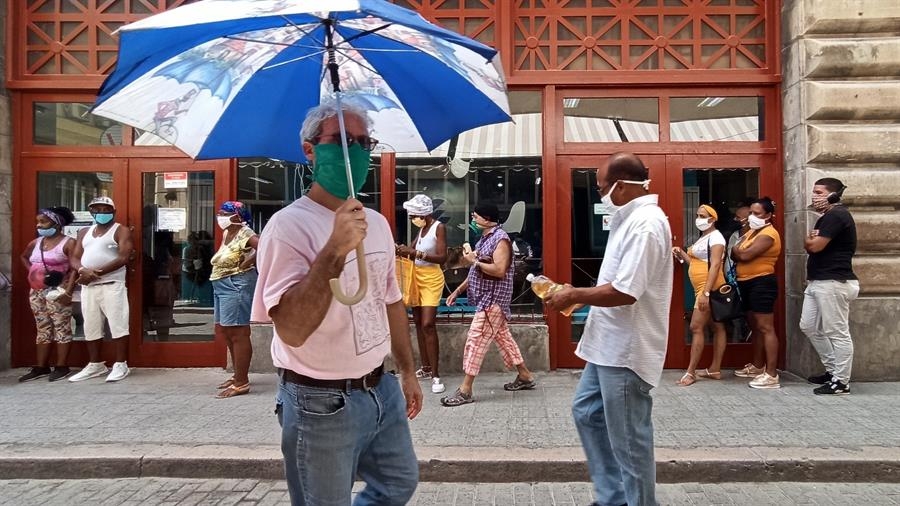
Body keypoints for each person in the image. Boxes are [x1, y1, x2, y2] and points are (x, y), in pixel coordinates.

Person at [251, 100, 421, 505]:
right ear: (310, 150)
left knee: (398, 483)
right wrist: (334, 250)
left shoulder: (376, 222)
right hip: (319, 401)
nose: (356, 152)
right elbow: (290, 329)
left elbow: (391, 302)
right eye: (342, 141)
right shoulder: (287, 227)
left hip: (381, 389)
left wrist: (408, 371)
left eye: (364, 142)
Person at [544, 153, 672, 505]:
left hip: (627, 351)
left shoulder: (646, 224)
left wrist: (574, 294)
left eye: (602, 186)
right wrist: (578, 294)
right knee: (586, 413)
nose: (599, 192)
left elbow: (626, 291)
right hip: (607, 346)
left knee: (630, 441)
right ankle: (613, 496)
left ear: (621, 186)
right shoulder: (627, 219)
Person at [440, 202, 537, 407]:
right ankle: (525, 376)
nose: (473, 220)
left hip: (493, 300)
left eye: (476, 217)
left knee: (475, 340)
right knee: (503, 338)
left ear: (487, 219)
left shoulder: (501, 240)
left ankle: (465, 389)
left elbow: (499, 270)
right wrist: (458, 290)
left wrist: (472, 262)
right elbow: (477, 270)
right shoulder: (484, 239)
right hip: (487, 299)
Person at [801, 178, 859, 395]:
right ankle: (833, 370)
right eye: (813, 192)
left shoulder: (837, 215)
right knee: (808, 325)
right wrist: (811, 240)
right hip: (819, 281)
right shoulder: (826, 217)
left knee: (837, 332)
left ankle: (841, 381)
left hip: (834, 281)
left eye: (819, 192)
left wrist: (808, 240)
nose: (814, 196)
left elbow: (814, 246)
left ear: (833, 195)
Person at [69, 196, 134, 383]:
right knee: (90, 325)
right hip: (89, 287)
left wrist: (95, 273)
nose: (102, 213)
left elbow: (124, 257)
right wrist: (83, 271)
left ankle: (121, 363)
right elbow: (74, 257)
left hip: (112, 284)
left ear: (113, 212)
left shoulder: (120, 230)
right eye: (97, 210)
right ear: (91, 212)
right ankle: (95, 363)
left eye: (106, 210)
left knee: (118, 324)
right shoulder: (84, 232)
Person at [396, 194, 448, 394]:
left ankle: (436, 374)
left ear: (423, 214)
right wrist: (402, 250)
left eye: (413, 216)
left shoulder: (438, 227)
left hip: (431, 279)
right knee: (418, 322)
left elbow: (442, 257)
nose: (411, 219)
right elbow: (412, 249)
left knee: (428, 323)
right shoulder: (421, 229)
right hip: (415, 276)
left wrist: (416, 254)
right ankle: (426, 367)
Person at [18, 207, 77, 382]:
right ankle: (41, 366)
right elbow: (24, 257)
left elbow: (75, 266)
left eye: (43, 222)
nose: (39, 225)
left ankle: (62, 366)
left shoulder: (68, 243)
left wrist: (69, 290)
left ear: (57, 223)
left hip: (57, 291)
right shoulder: (36, 243)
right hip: (36, 291)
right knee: (42, 327)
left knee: (61, 326)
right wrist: (32, 272)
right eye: (38, 222)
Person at [672, 204, 727, 386]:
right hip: (701, 288)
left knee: (696, 327)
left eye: (702, 215)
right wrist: (680, 252)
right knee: (717, 327)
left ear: (712, 219)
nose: (698, 218)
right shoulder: (704, 237)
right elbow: (696, 263)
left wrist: (705, 293)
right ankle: (715, 369)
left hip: (708, 288)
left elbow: (716, 265)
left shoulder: (717, 238)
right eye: (697, 215)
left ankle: (690, 372)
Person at [730, 197, 782, 388]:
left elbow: (743, 254)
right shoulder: (751, 232)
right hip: (746, 282)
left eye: (757, 213)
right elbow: (735, 254)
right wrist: (737, 251)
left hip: (761, 282)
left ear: (768, 215)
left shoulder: (768, 234)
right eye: (751, 213)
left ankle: (772, 374)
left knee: (766, 327)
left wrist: (737, 250)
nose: (752, 216)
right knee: (756, 326)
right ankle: (758, 366)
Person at [210, 201, 259, 399]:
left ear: (237, 217)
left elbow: (266, 245)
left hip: (236, 283)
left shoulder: (246, 234)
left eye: (224, 214)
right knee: (225, 329)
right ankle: (237, 373)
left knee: (238, 331)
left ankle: (241, 382)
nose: (220, 217)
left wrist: (251, 260)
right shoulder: (227, 233)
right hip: (221, 283)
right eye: (220, 213)